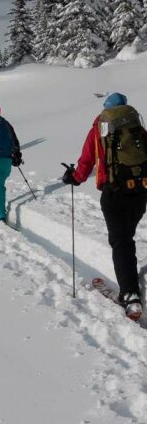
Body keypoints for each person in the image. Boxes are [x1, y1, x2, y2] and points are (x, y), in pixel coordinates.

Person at [62, 92, 147, 319]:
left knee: (121, 241)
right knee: (126, 237)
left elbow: (87, 160)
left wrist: (75, 177)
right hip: (140, 192)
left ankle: (130, 295)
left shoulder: (100, 127)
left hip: (114, 193)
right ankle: (130, 281)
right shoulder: (136, 126)